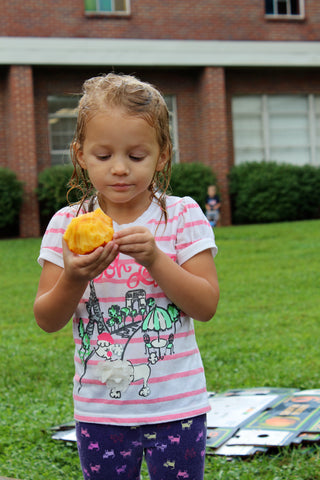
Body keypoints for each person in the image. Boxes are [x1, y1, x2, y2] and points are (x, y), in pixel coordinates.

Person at [34, 73, 219, 480]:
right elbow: (47, 318)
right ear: (80, 154)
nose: (120, 169)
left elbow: (206, 305)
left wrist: (156, 258)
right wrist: (73, 277)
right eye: (104, 156)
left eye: (136, 156)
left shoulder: (183, 216)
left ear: (162, 154)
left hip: (177, 407)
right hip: (101, 411)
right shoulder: (67, 224)